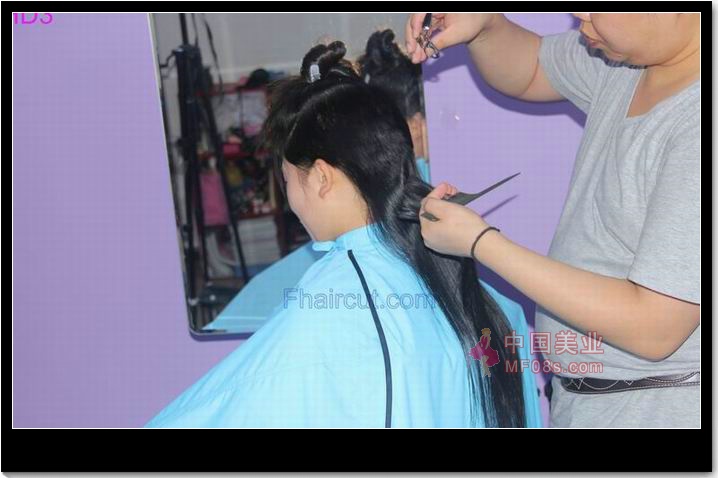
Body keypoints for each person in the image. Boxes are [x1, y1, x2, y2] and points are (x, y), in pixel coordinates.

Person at [146, 41, 542, 428]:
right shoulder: (484, 298)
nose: (291, 201)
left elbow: (227, 406)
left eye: (287, 180)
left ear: (321, 177)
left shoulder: (330, 311)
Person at [406, 13, 700, 427]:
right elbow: (531, 67)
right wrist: (485, 24)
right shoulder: (629, 59)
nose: (579, 16)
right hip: (587, 403)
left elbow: (655, 327)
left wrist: (482, 243)